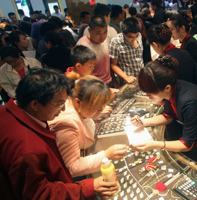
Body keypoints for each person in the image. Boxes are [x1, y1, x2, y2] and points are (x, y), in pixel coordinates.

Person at [0, 68, 119, 199]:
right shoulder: (27, 149)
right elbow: (39, 194)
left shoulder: (9, 112)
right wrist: (89, 187)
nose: (63, 109)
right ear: (35, 104)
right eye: (59, 103)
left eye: (64, 101)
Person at [130, 55, 197, 167]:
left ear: (167, 88)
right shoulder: (173, 90)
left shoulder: (189, 101)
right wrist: (143, 122)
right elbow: (168, 117)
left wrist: (155, 144)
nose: (148, 97)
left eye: (150, 93)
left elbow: (186, 145)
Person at [49, 75, 127, 178]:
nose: (101, 110)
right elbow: (72, 167)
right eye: (96, 107)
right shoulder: (66, 125)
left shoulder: (75, 106)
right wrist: (106, 155)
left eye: (102, 105)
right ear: (78, 102)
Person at [167, 14, 197, 89]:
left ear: (182, 28)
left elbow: (194, 69)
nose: (170, 32)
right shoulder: (185, 41)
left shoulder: (191, 43)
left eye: (172, 29)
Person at [77, 16, 113, 85]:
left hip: (108, 81)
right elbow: (83, 75)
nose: (102, 36)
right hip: (95, 86)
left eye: (105, 32)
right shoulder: (83, 46)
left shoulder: (104, 40)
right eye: (99, 33)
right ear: (90, 30)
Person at [109, 17, 143, 86]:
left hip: (141, 77)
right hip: (127, 80)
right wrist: (126, 77)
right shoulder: (115, 42)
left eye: (136, 36)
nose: (134, 39)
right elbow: (113, 65)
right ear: (123, 33)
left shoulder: (139, 35)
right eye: (130, 37)